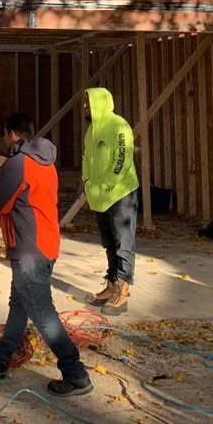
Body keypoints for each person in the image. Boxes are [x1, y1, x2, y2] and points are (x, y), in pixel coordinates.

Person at [0, 113, 92, 397]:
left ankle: (75, 374)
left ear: (12, 134)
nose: (4, 139)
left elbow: (0, 204)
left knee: (42, 312)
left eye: (5, 134)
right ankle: (0, 358)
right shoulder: (46, 163)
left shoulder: (19, 163)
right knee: (20, 304)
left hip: (30, 248)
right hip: (46, 245)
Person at [82, 86, 140, 313]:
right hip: (99, 197)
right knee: (108, 243)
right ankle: (112, 283)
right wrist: (88, 185)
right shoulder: (91, 131)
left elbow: (122, 161)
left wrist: (104, 186)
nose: (85, 107)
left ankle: (123, 292)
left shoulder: (119, 126)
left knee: (123, 244)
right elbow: (86, 160)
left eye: (87, 103)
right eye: (84, 103)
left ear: (99, 103)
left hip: (120, 194)